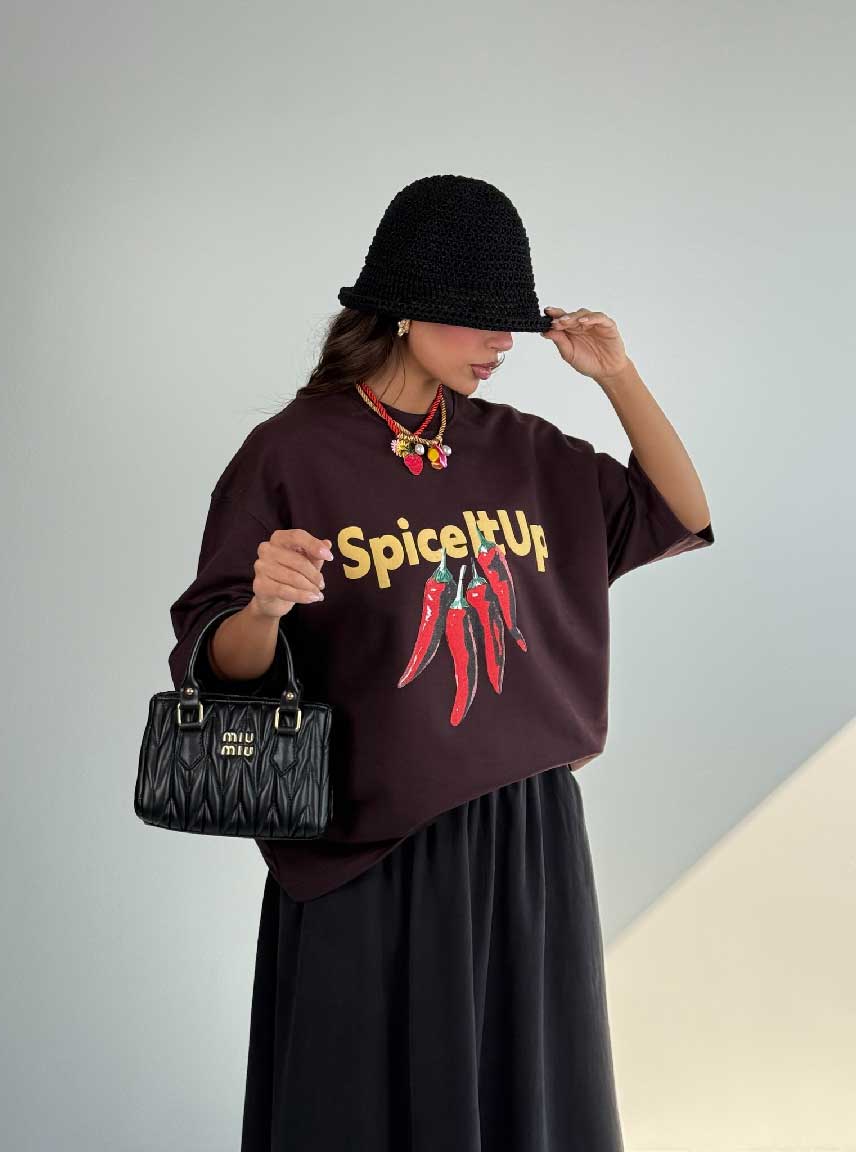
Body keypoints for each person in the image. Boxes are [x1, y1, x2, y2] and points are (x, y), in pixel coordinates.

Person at [166, 174, 715, 1151]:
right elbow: (218, 665)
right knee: (365, 1109)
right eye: (481, 319)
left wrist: (618, 376)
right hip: (369, 844)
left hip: (525, 831)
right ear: (407, 310)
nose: (504, 343)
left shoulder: (524, 450)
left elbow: (678, 513)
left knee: (520, 1101)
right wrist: (263, 606)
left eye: (513, 322)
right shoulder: (292, 454)